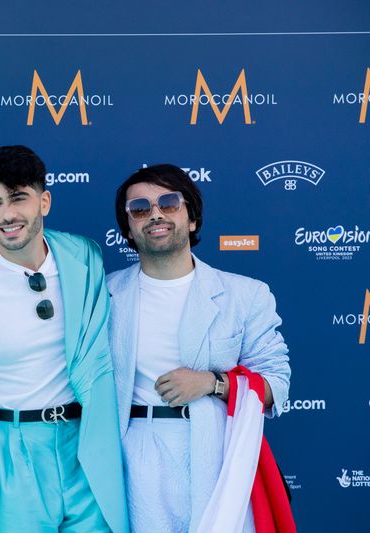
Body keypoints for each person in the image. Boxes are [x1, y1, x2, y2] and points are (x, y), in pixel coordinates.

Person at [0, 145, 128, 533]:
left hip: (84, 446)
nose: (8, 214)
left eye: (19, 198)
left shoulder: (83, 257)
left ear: (44, 201)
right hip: (9, 455)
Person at [106, 164, 291, 532]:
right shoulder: (103, 296)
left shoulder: (245, 294)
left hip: (218, 456)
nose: (155, 213)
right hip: (133, 458)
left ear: (192, 218)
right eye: (140, 208)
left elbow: (277, 385)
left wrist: (211, 382)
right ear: (128, 228)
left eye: (170, 202)